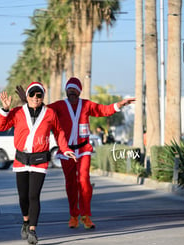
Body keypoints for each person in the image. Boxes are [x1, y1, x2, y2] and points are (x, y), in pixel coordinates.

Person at [17, 77, 135, 229]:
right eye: (69, 89)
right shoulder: (59, 106)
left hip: (83, 149)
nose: (72, 92)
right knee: (71, 183)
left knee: (84, 181)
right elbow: (41, 110)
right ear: (66, 91)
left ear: (79, 91)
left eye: (75, 89)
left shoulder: (86, 105)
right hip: (67, 151)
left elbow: (103, 110)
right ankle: (73, 215)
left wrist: (120, 105)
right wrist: (26, 100)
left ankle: (86, 216)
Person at [0, 82, 76, 245]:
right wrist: (5, 110)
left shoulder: (50, 113)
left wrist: (65, 148)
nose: (36, 98)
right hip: (21, 159)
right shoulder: (18, 112)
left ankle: (32, 229)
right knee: (23, 196)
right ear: (27, 96)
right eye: (32, 95)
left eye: (39, 95)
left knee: (34, 195)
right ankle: (26, 221)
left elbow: (59, 132)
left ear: (43, 97)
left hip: (40, 160)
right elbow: (0, 126)